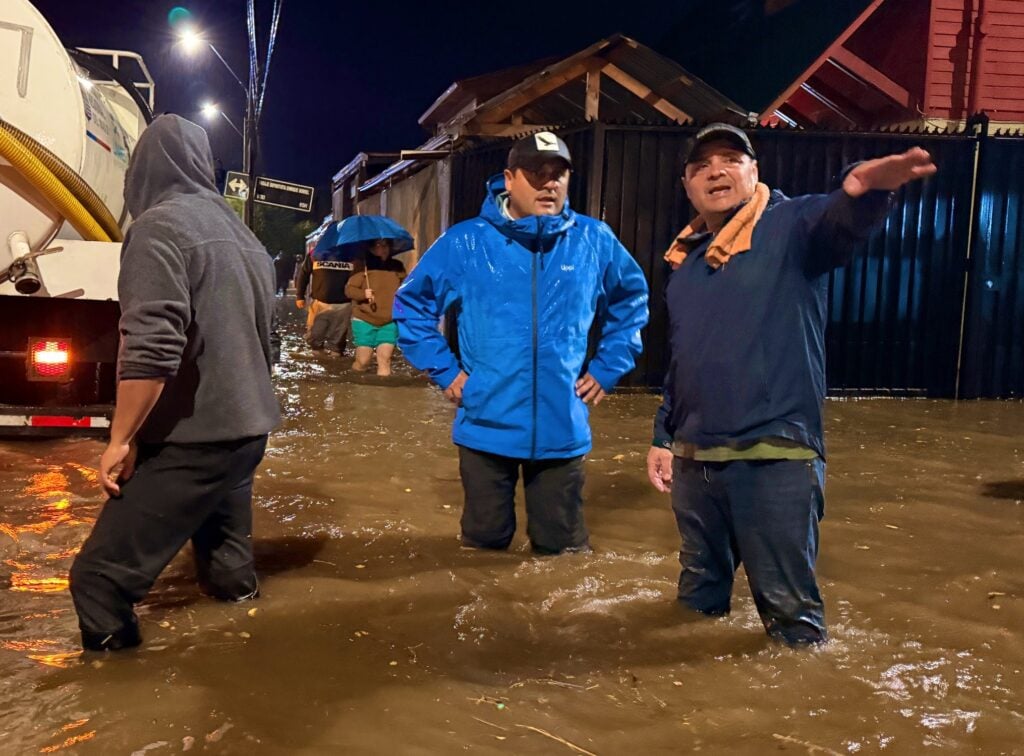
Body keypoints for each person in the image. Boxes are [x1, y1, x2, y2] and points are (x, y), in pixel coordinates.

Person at [646, 123, 936, 645]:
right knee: (694, 607)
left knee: (791, 622)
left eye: (731, 159)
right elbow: (683, 357)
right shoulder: (685, 262)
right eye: (701, 165)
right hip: (695, 464)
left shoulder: (791, 226)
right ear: (687, 185)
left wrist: (863, 186)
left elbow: (840, 220)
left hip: (774, 457)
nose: (716, 171)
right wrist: (663, 436)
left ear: (754, 171)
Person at [68, 115, 281, 652]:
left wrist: (120, 440)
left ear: (141, 173)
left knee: (97, 580)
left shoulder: (159, 227)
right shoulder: (248, 239)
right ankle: (247, 657)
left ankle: (113, 700)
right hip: (248, 433)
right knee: (227, 571)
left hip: (196, 439)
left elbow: (151, 348)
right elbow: (269, 346)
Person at [394, 131, 649, 555]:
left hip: (562, 427)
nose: (549, 183)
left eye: (558, 174)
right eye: (536, 173)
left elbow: (631, 302)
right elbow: (411, 306)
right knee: (483, 548)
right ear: (509, 179)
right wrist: (447, 372)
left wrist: (608, 366)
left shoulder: (594, 240)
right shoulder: (466, 241)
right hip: (485, 426)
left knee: (562, 552)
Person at [344, 238, 407, 376]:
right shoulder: (362, 266)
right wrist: (363, 294)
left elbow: (406, 288)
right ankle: (355, 386)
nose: (383, 249)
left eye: (386, 245)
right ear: (371, 248)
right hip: (364, 319)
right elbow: (349, 290)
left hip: (389, 321)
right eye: (378, 245)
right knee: (363, 361)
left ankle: (382, 395)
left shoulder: (397, 266)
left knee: (385, 360)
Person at [295, 239, 353, 353]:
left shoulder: (352, 254)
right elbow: (304, 274)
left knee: (338, 341)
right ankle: (319, 357)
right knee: (314, 337)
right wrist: (300, 296)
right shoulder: (315, 254)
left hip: (343, 304)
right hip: (320, 302)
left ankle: (334, 359)